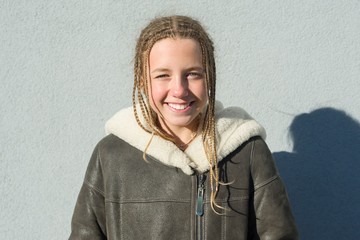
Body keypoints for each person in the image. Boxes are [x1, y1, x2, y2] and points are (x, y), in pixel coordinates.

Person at [69, 15, 299, 239]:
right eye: (162, 75)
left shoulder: (248, 152)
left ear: (209, 77)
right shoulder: (111, 155)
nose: (179, 90)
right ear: (142, 79)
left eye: (193, 74)